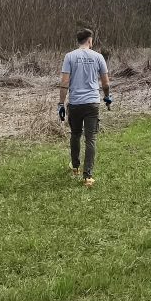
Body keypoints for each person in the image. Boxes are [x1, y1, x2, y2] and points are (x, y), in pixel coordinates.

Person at [58, 28, 111, 187]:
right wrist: (107, 97)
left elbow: (64, 82)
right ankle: (88, 176)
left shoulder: (69, 56)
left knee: (75, 134)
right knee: (91, 138)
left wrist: (61, 103)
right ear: (89, 40)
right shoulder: (98, 57)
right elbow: (106, 83)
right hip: (92, 103)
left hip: (75, 103)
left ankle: (75, 167)